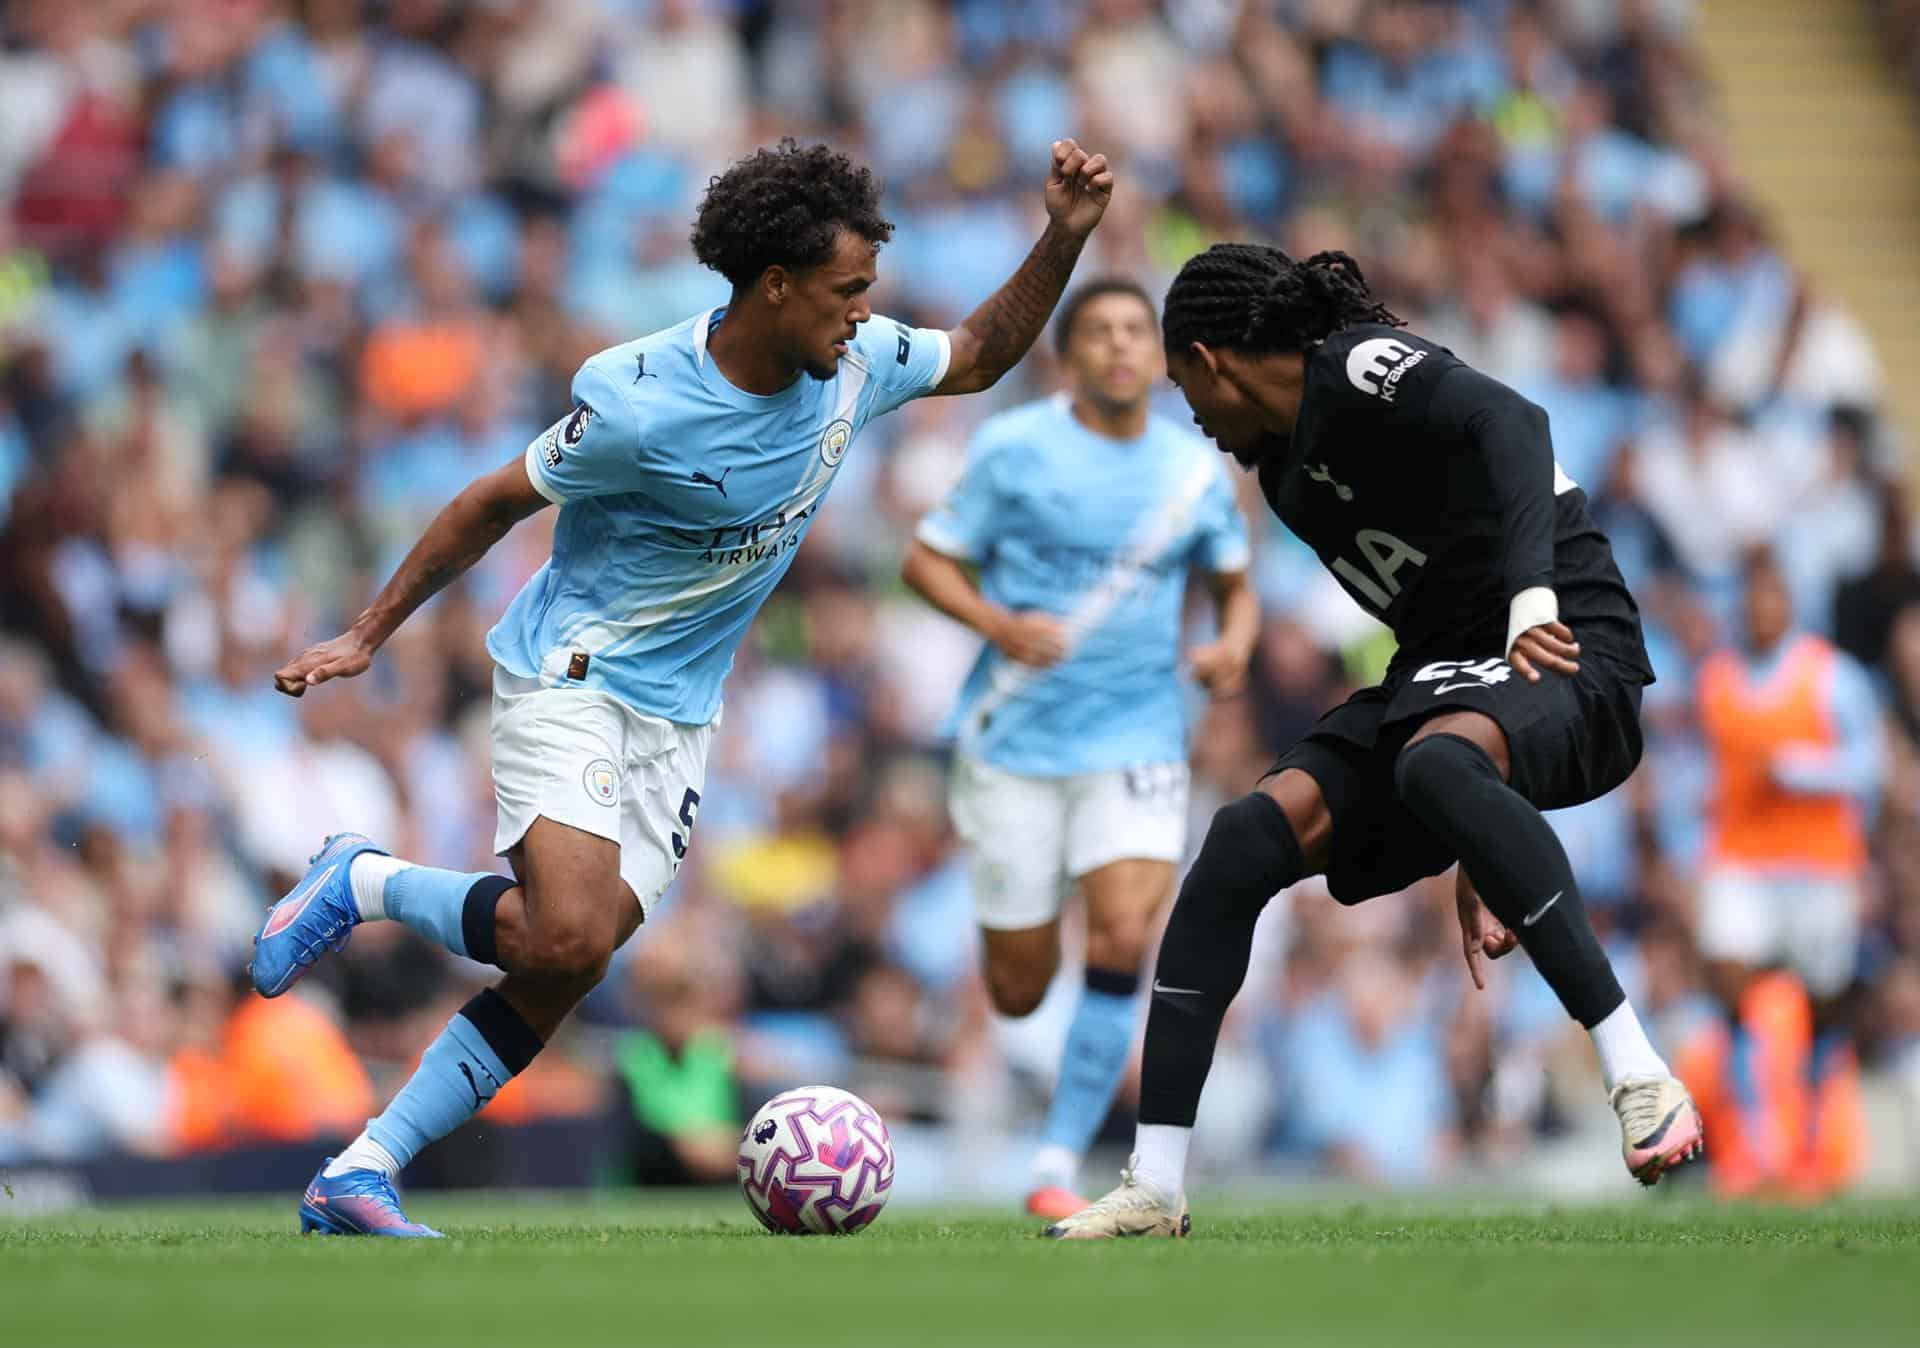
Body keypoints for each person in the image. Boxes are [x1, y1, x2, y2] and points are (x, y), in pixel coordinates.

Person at [254, 137, 1114, 1237]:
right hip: (573, 670)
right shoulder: (639, 401)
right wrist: (368, 633)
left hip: (679, 716)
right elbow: (488, 503)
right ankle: (362, 882)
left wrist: (1063, 236)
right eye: (848, 291)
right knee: (564, 936)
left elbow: (986, 352)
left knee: (565, 960)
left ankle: (360, 1169)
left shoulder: (859, 361)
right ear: (777, 285)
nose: (864, 312)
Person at [1048, 244, 1702, 1239]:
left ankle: (1642, 1076)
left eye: (1187, 386)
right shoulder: (1286, 479)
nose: (1194, 416)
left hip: (1570, 644)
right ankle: (1156, 1181)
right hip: (1446, 684)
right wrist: (1487, 814)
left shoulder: (1356, 365)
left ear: (1213, 361)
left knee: (1436, 759)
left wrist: (1529, 606)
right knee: (1239, 843)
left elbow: (1515, 423)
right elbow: (1433, 627)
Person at [901, 277, 1257, 1219]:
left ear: (1161, 355)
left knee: (1125, 934)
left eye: (1136, 331)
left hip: (1138, 736)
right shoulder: (1015, 449)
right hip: (1015, 739)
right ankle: (1025, 996)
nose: (1119, 346)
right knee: (1020, 991)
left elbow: (1235, 583)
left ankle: (1055, 1162)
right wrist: (995, 620)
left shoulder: (1192, 472)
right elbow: (924, 560)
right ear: (1069, 354)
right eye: (1098, 331)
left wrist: (1234, 646)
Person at [1691, 546, 1882, 1198]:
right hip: (1740, 859)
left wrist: (1808, 768)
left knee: (1821, 1002)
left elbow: (1870, 765)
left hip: (1818, 864)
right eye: (1751, 597)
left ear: (1789, 604)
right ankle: (1751, 1144)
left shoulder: (1831, 677)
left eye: (1771, 596)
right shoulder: (1716, 678)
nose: (1759, 609)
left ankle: (1810, 1138)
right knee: (1731, 981)